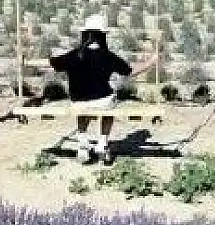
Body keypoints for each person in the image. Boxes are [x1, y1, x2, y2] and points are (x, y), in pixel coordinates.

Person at [48, 13, 153, 163]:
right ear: (103, 35)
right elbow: (130, 72)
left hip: (78, 103)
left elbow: (51, 64)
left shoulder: (74, 55)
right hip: (102, 102)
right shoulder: (108, 56)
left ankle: (83, 143)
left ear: (85, 34)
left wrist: (25, 61)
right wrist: (151, 62)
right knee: (110, 105)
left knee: (82, 107)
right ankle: (102, 143)